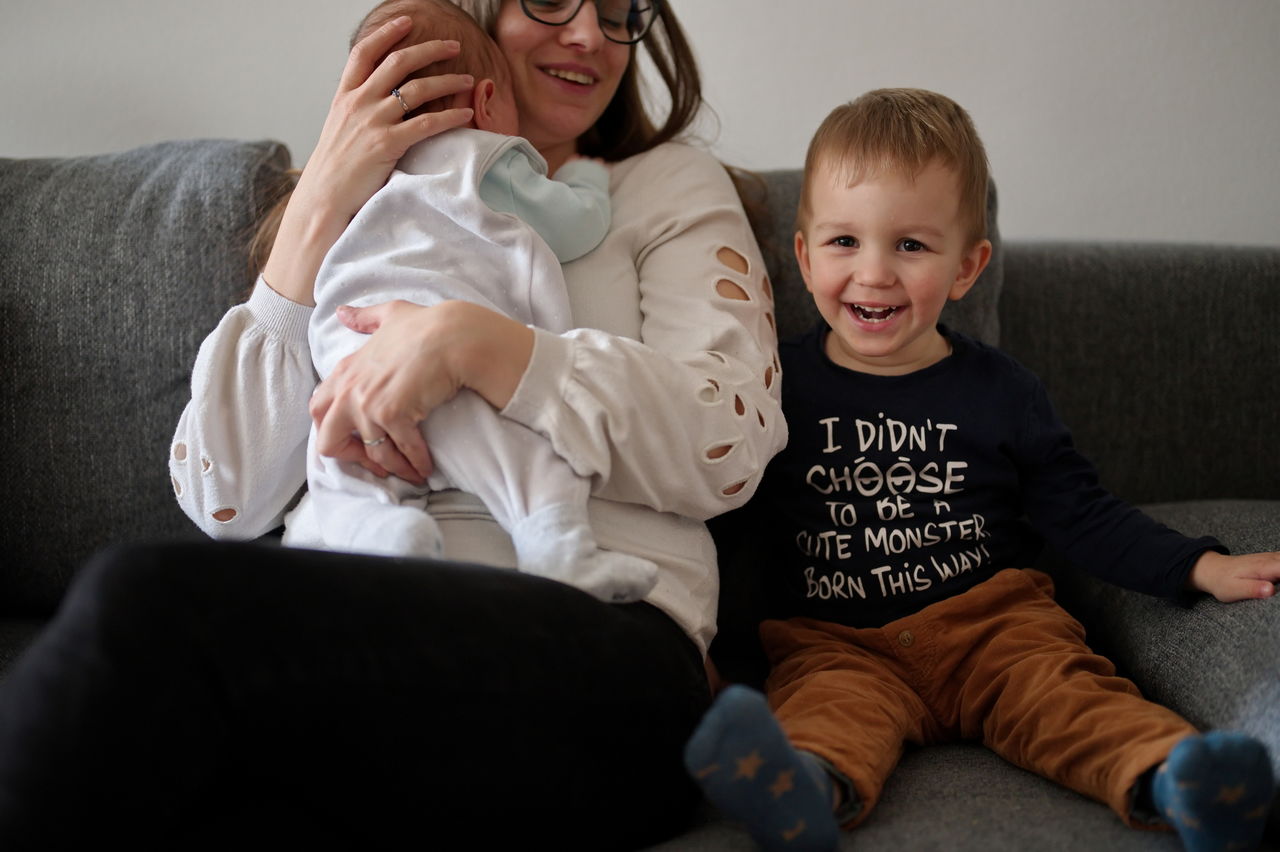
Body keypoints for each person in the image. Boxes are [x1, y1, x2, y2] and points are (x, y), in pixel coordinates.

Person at [0, 1, 785, 848]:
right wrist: (321, 203)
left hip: (599, 633)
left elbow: (730, 443)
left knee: (138, 602)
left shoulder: (659, 185)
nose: (591, 36)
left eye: (620, 10)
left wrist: (473, 344)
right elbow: (224, 501)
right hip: (361, 615)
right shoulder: (365, 215)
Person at [682, 88, 1279, 852]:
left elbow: (1084, 513)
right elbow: (735, 526)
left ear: (967, 267)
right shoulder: (773, 387)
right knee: (824, 712)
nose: (873, 273)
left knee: (1069, 697)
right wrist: (714, 655)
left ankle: (1179, 780)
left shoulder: (1003, 394)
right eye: (843, 242)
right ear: (802, 257)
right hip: (837, 642)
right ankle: (799, 791)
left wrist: (1198, 566)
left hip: (994, 626)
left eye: (910, 246)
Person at [301, 0, 657, 604]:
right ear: (489, 102)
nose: (588, 34)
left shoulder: (364, 185)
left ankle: (385, 536)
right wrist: (588, 181)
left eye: (619, 13)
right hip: (451, 380)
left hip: (347, 353)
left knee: (336, 478)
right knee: (535, 460)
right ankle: (559, 551)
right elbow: (574, 225)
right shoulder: (486, 159)